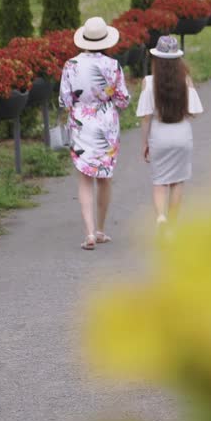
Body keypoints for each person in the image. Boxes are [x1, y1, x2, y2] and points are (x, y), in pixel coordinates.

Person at [59, 17, 131, 250]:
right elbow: (122, 99)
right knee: (104, 177)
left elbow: (65, 99)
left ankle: (89, 232)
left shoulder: (71, 65)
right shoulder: (113, 65)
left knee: (84, 177)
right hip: (106, 123)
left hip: (81, 122)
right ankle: (100, 229)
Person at [137, 35, 204, 225]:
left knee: (159, 181)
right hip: (182, 134)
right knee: (177, 182)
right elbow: (195, 111)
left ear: (156, 58)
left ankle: (160, 217)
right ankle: (173, 227)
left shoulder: (148, 82)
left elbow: (145, 117)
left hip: (159, 134)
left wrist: (145, 143)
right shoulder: (186, 80)